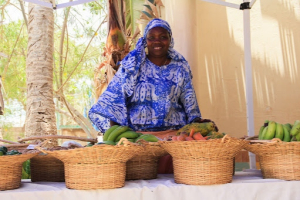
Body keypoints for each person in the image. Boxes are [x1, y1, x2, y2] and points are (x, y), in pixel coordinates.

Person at [89, 18, 213, 173]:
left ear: (170, 40)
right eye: (151, 37)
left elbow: (190, 104)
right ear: (145, 40)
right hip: (139, 142)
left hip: (175, 142)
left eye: (163, 37)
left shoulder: (180, 68)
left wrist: (198, 125)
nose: (157, 41)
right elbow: (115, 102)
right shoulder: (133, 66)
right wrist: (117, 140)